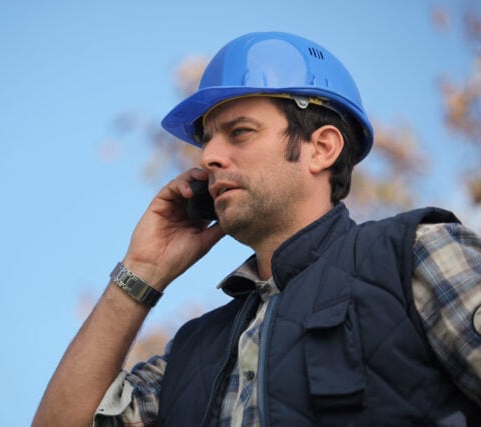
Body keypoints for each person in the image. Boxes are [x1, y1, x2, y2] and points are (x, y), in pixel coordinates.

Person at [32, 32, 481, 426]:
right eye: (207, 138)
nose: (209, 157)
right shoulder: (190, 354)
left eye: (240, 132)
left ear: (321, 148)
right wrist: (141, 270)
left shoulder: (417, 254)